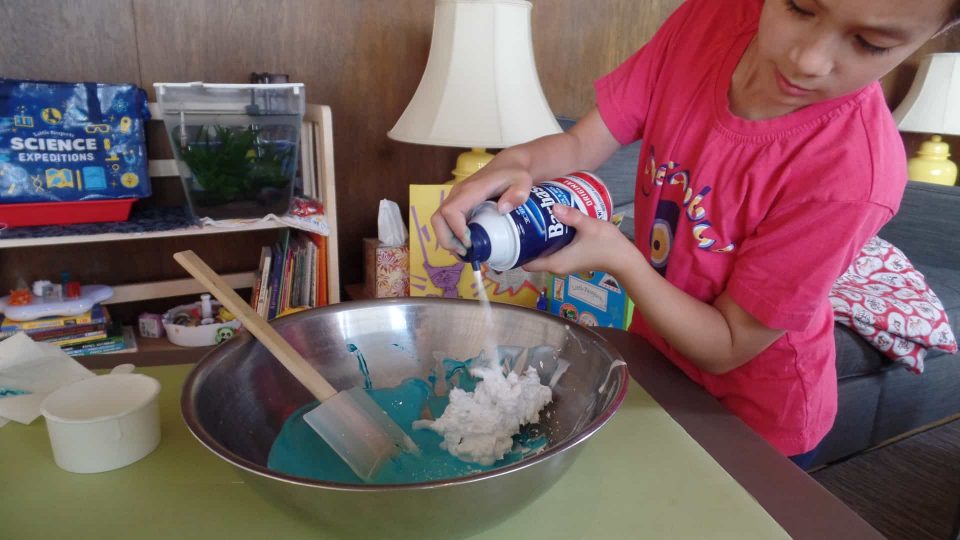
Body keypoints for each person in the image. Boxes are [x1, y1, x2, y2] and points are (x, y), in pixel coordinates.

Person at [431, 0, 960, 468]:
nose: (808, 59)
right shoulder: (712, 18)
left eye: (870, 43)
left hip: (757, 424)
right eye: (799, 7)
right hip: (656, 368)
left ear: (936, 32)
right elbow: (577, 145)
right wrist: (519, 162)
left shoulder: (852, 172)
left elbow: (729, 346)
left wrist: (620, 258)